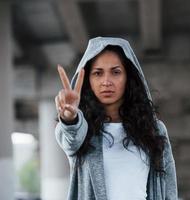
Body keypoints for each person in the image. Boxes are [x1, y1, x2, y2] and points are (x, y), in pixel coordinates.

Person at [54, 37, 178, 200]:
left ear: (129, 78)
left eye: (116, 72)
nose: (106, 81)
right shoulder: (83, 130)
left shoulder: (153, 129)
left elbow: (169, 190)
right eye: (98, 73)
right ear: (88, 80)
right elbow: (70, 139)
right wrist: (70, 118)